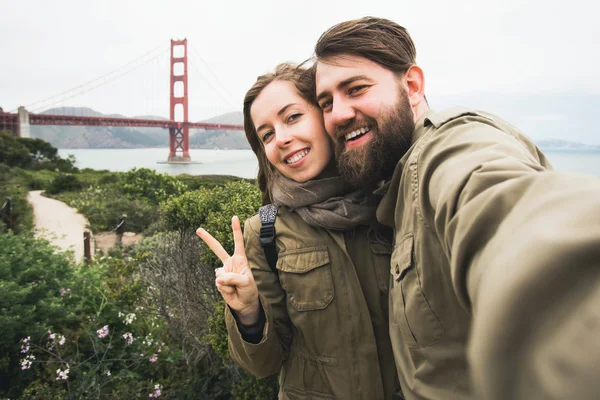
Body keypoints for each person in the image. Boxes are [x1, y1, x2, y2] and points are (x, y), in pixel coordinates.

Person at [313, 16, 600, 400]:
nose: (337, 114)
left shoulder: (449, 148)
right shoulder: (392, 189)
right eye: (326, 102)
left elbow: (499, 206)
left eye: (356, 89)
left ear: (412, 86)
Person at [196, 63, 402, 399]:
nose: (283, 139)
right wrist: (248, 312)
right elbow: (265, 364)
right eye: (267, 134)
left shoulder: (393, 199)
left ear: (326, 114)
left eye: (292, 117)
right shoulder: (265, 231)